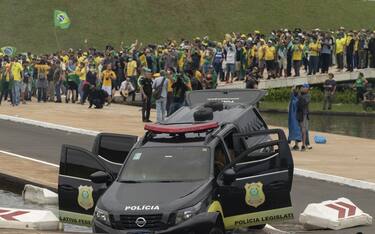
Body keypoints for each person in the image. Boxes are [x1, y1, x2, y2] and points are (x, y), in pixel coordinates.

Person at [297, 83, 311, 151]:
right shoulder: (299, 95)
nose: (302, 88)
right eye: (302, 87)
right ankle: (298, 144)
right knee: (300, 129)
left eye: (304, 87)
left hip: (304, 114)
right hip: (299, 114)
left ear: (307, 89)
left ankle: (306, 144)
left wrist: (299, 95)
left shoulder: (308, 95)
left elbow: (303, 103)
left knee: (305, 129)